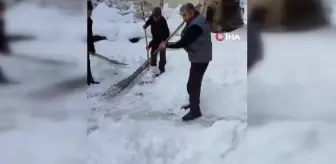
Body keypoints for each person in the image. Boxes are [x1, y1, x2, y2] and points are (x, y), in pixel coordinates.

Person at [158, 3, 212, 121]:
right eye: (182, 15)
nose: (183, 18)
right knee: (194, 83)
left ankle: (195, 112)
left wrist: (166, 45)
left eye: (185, 15)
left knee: (192, 85)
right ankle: (194, 104)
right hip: (199, 56)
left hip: (200, 58)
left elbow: (184, 42)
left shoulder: (196, 26)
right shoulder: (196, 19)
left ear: (192, 13)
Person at [143, 7, 170, 76]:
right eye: (154, 17)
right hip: (155, 37)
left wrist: (164, 42)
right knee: (153, 52)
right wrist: (146, 25)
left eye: (157, 17)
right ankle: (153, 65)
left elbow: (167, 33)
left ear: (160, 16)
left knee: (162, 53)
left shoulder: (163, 21)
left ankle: (162, 68)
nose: (155, 19)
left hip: (163, 39)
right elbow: (149, 21)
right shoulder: (152, 18)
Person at [87, 1, 99, 85]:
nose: (90, 12)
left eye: (91, 10)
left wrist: (92, 48)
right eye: (89, 10)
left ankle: (89, 80)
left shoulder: (89, 21)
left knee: (87, 62)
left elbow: (89, 36)